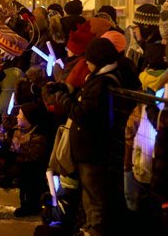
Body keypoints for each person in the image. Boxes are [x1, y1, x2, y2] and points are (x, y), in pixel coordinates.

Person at [50, 38, 128, 235]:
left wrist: (62, 99)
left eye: (90, 59)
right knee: (89, 199)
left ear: (99, 60)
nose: (86, 62)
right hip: (88, 151)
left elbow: (83, 113)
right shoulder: (98, 79)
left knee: (95, 202)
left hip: (94, 151)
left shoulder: (102, 83)